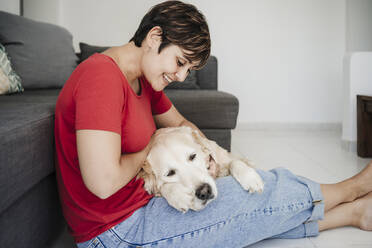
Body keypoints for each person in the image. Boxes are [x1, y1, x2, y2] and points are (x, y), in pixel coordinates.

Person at [54, 1, 372, 247]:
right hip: (116, 233)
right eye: (180, 62)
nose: (180, 76)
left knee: (242, 198)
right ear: (154, 38)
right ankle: (352, 189)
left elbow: (181, 123)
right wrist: (151, 146)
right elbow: (102, 181)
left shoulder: (143, 80)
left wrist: (207, 153)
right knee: (256, 195)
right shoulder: (102, 78)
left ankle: (354, 213)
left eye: (187, 69)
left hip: (146, 204)